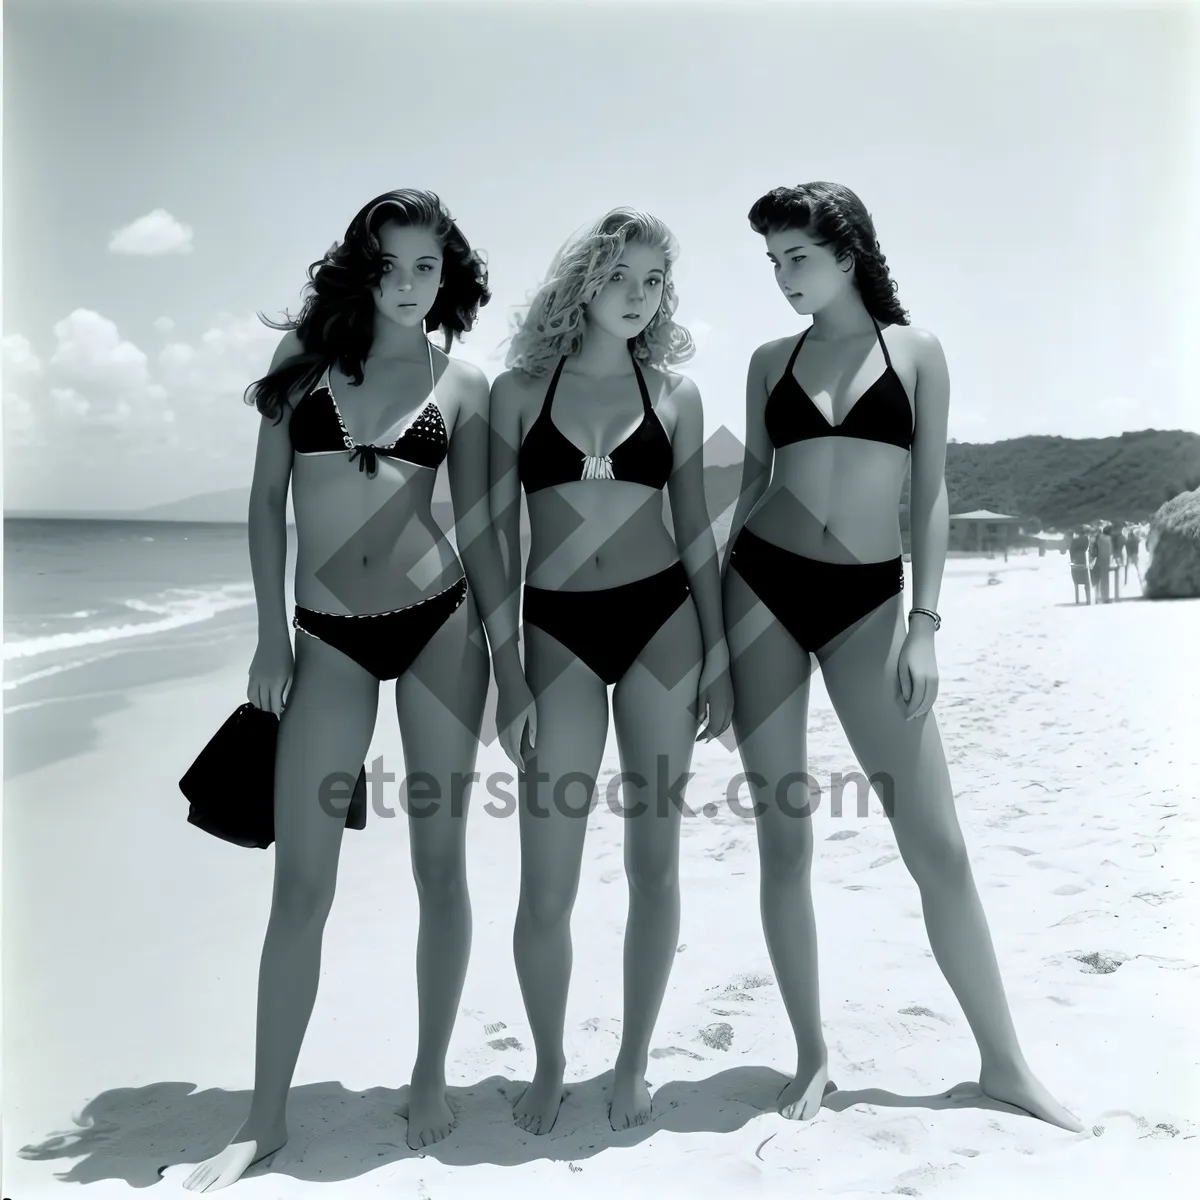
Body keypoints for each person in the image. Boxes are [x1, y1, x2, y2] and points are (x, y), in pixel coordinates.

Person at [720, 182, 1083, 1131]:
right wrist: (717, 645)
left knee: (938, 844)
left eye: (797, 257)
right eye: (773, 263)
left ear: (848, 253)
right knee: (784, 836)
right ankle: (811, 1058)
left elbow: (929, 491)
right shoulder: (767, 364)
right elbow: (752, 489)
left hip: (868, 602)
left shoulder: (915, 354)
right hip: (760, 591)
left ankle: (1005, 1062)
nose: (784, 278)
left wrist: (925, 621)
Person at [183, 190, 509, 1191]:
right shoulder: (300, 379)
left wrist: (514, 665)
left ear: (446, 276)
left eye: (426, 268)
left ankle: (427, 1075)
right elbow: (265, 509)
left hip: (441, 634)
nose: (410, 286)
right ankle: (265, 1119)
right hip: (324, 644)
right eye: (391, 266)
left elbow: (491, 533)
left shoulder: (467, 387)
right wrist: (271, 640)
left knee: (440, 865)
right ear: (358, 272)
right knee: (301, 885)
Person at [488, 208, 733, 1134]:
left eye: (654, 282)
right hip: (555, 633)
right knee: (545, 880)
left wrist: (717, 658)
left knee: (654, 864)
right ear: (584, 281)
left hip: (663, 624)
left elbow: (698, 537)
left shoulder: (676, 394)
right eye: (623, 278)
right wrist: (506, 677)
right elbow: (494, 541)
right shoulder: (519, 392)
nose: (639, 297)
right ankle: (551, 1059)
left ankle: (633, 1060)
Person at [1068, 528, 1091, 604]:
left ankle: (1077, 599)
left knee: (1077, 582)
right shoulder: (1086, 540)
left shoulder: (1074, 541)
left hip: (1076, 566)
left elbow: (1071, 552)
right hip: (1085, 564)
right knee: (1087, 581)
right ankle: (1089, 600)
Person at [1094, 524, 1113, 603]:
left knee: (1097, 580)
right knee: (1105, 580)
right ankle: (1105, 598)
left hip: (1098, 560)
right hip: (1105, 560)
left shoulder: (1099, 537)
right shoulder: (1108, 538)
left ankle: (1096, 598)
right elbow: (1110, 551)